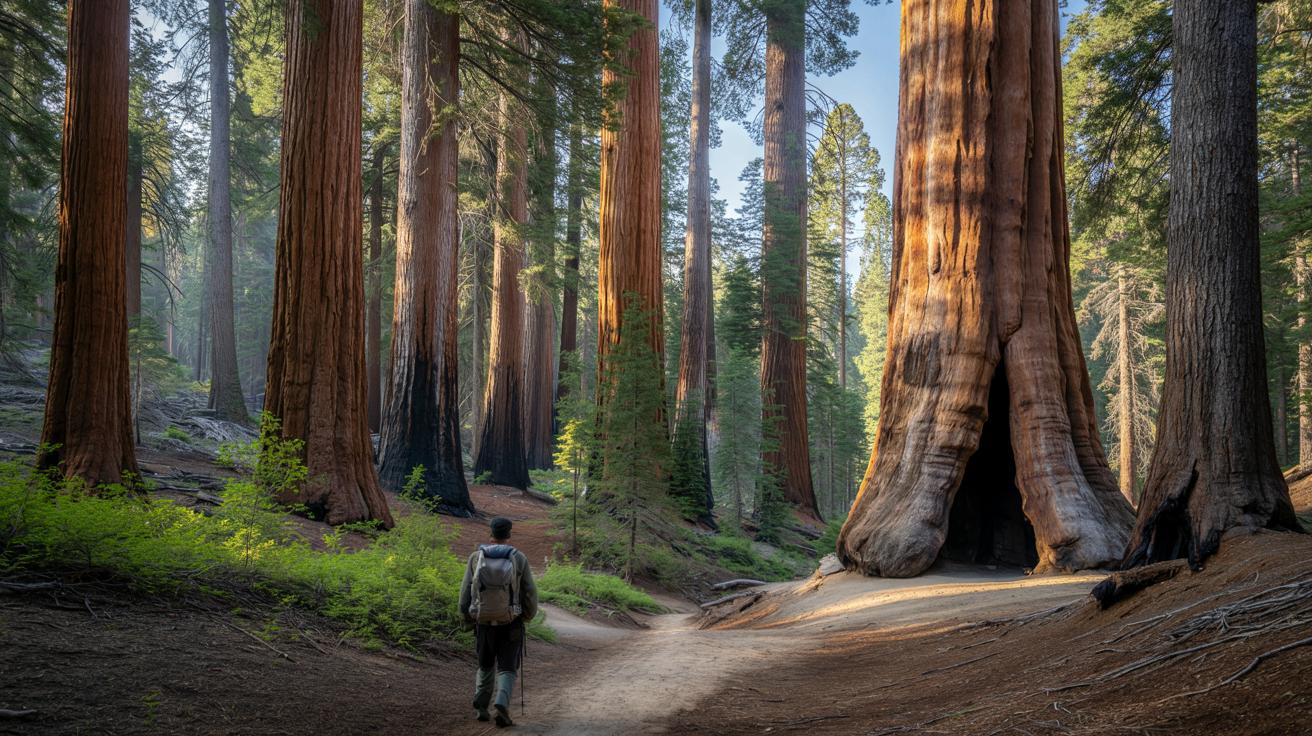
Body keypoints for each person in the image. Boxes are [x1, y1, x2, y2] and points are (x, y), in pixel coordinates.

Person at [459, 516, 538, 727]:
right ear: (508, 535)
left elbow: (465, 592)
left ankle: (481, 706)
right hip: (511, 622)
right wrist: (527, 616)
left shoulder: (476, 557)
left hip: (483, 622)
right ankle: (501, 703)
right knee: (507, 666)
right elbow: (529, 592)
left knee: (485, 664)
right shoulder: (518, 558)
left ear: (490, 534)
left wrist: (468, 619)